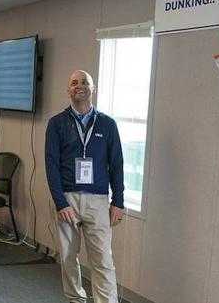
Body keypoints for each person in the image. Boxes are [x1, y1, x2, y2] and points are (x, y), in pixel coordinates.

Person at [45, 69, 125, 303]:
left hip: (98, 200)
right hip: (67, 200)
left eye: (84, 82)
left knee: (103, 259)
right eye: (74, 83)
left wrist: (117, 202)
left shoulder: (108, 124)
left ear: (93, 89)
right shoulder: (57, 123)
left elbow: (117, 164)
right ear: (68, 90)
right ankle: (75, 299)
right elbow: (51, 166)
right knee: (69, 258)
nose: (79, 86)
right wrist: (60, 202)